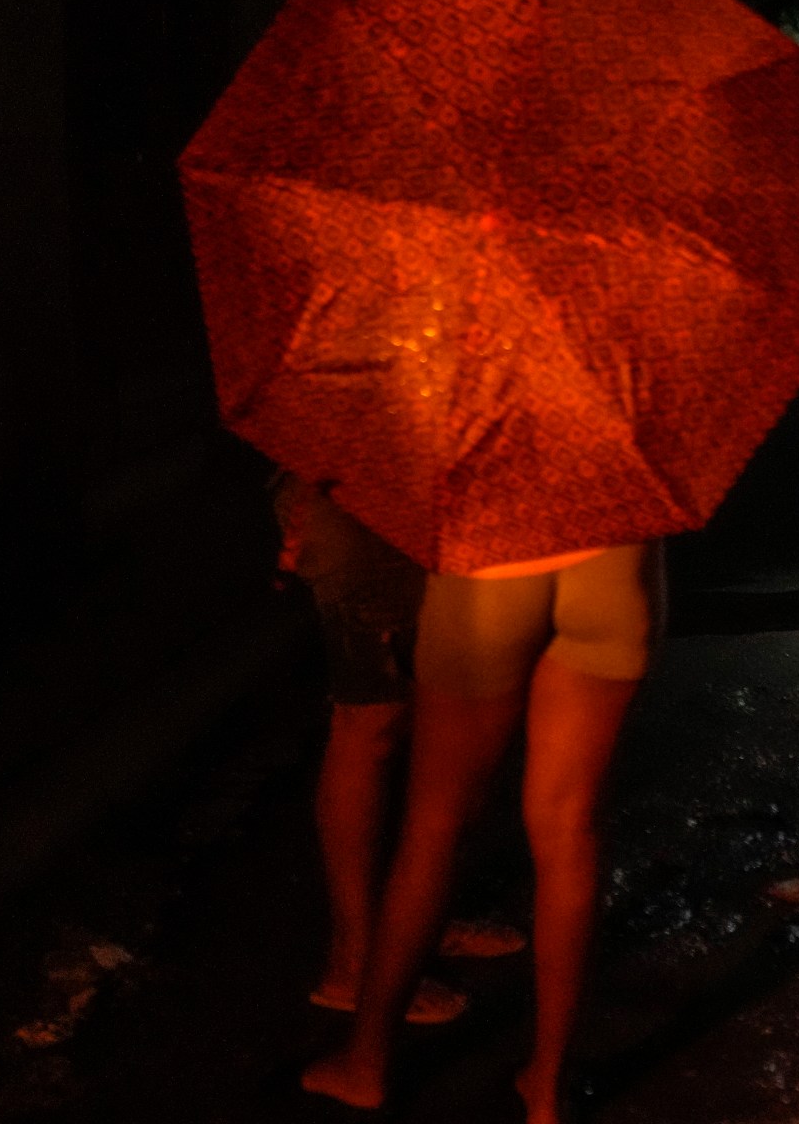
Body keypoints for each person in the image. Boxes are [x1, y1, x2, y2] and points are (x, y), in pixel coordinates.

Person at [303, 540, 658, 1123]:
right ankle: (547, 1088)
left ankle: (365, 1064)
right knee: (571, 830)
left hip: (490, 575)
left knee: (436, 827)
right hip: (616, 572)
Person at [270, 474, 530, 1029]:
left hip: (403, 500)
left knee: (414, 711)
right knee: (371, 722)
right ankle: (355, 965)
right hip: (359, 503)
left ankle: (411, 925)